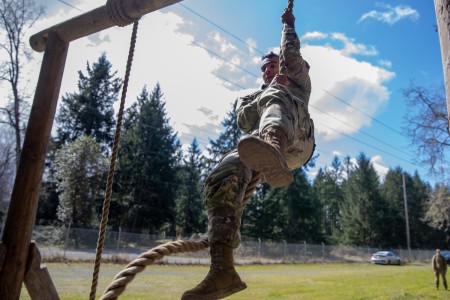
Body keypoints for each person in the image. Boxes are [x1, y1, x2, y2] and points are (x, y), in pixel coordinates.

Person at [181, 6, 315, 300]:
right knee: (222, 174)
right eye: (264, 68)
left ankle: (273, 144)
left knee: (278, 94)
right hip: (260, 148)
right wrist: (264, 97)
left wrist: (288, 25)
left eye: (273, 65)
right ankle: (222, 270)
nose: (269, 70)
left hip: (297, 139)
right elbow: (244, 120)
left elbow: (291, 53)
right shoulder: (252, 95)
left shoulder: (297, 81)